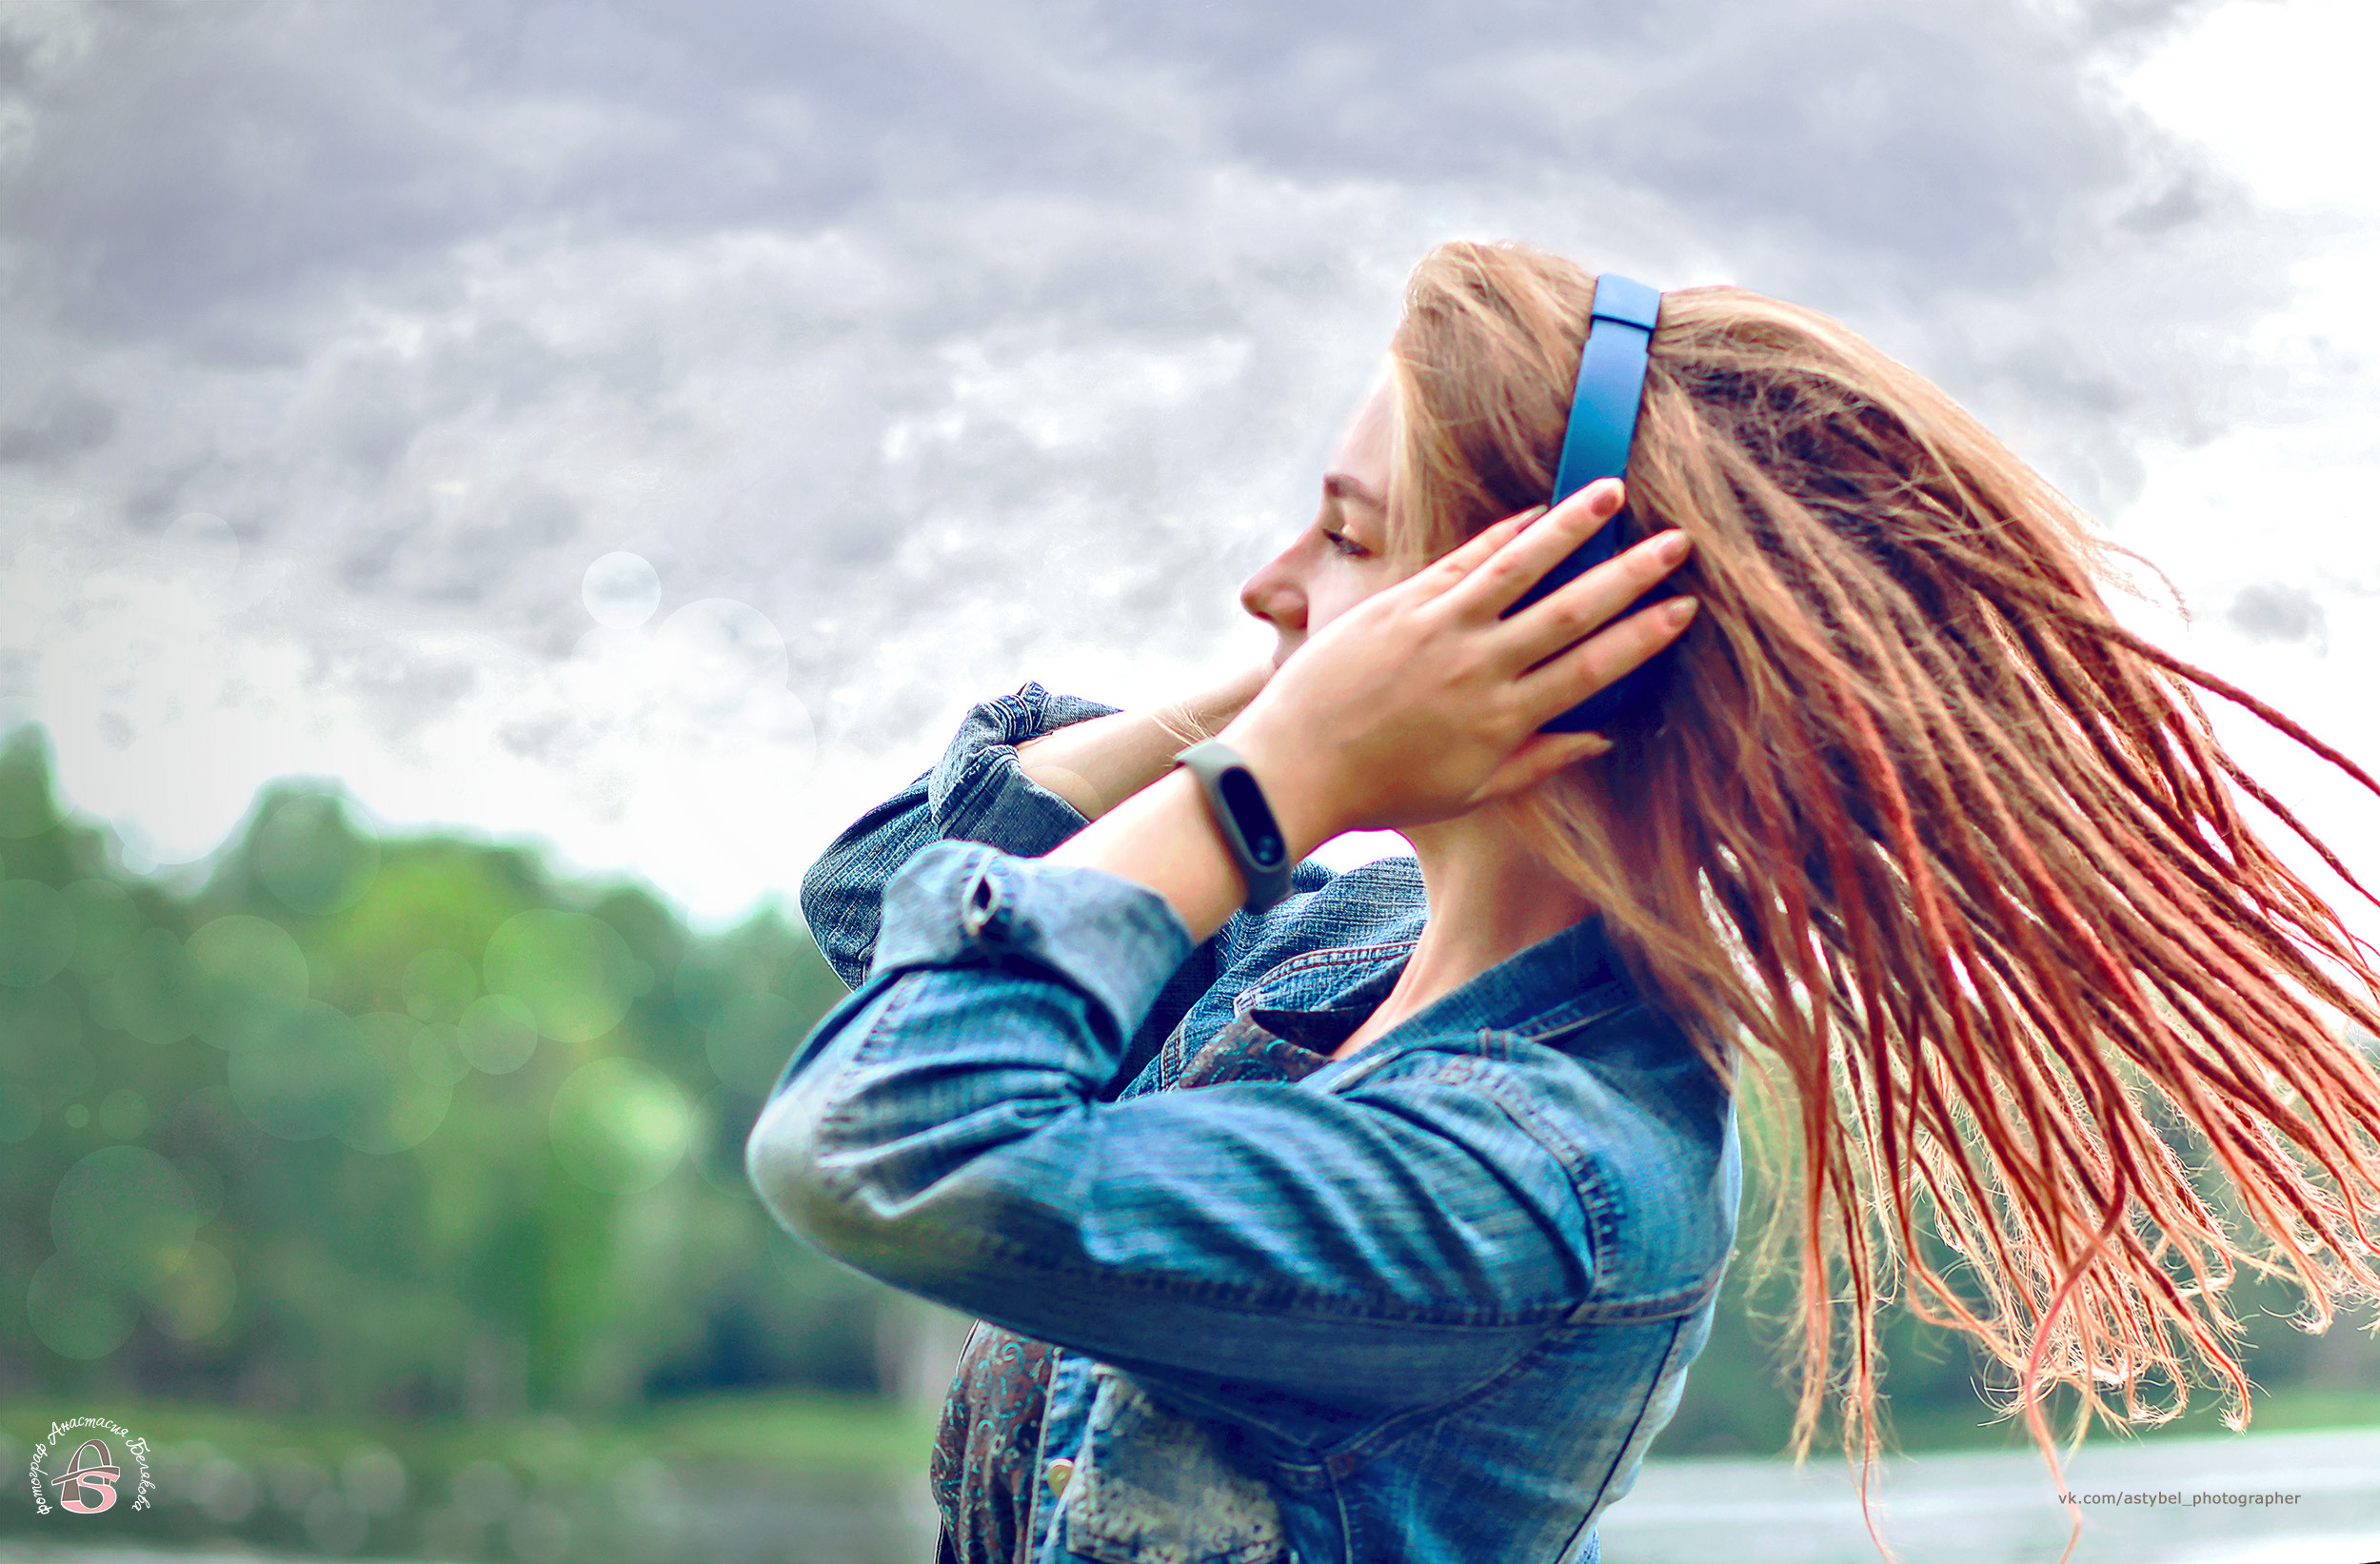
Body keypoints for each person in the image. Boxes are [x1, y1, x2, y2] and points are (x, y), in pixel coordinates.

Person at [746, 240, 2380, 1564]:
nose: (1267, 583)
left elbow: (877, 1138)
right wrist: (1283, 696)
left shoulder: (1550, 1177)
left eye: (1345, 534)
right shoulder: (1330, 957)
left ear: (1538, 634)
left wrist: (1268, 778)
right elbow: (886, 900)